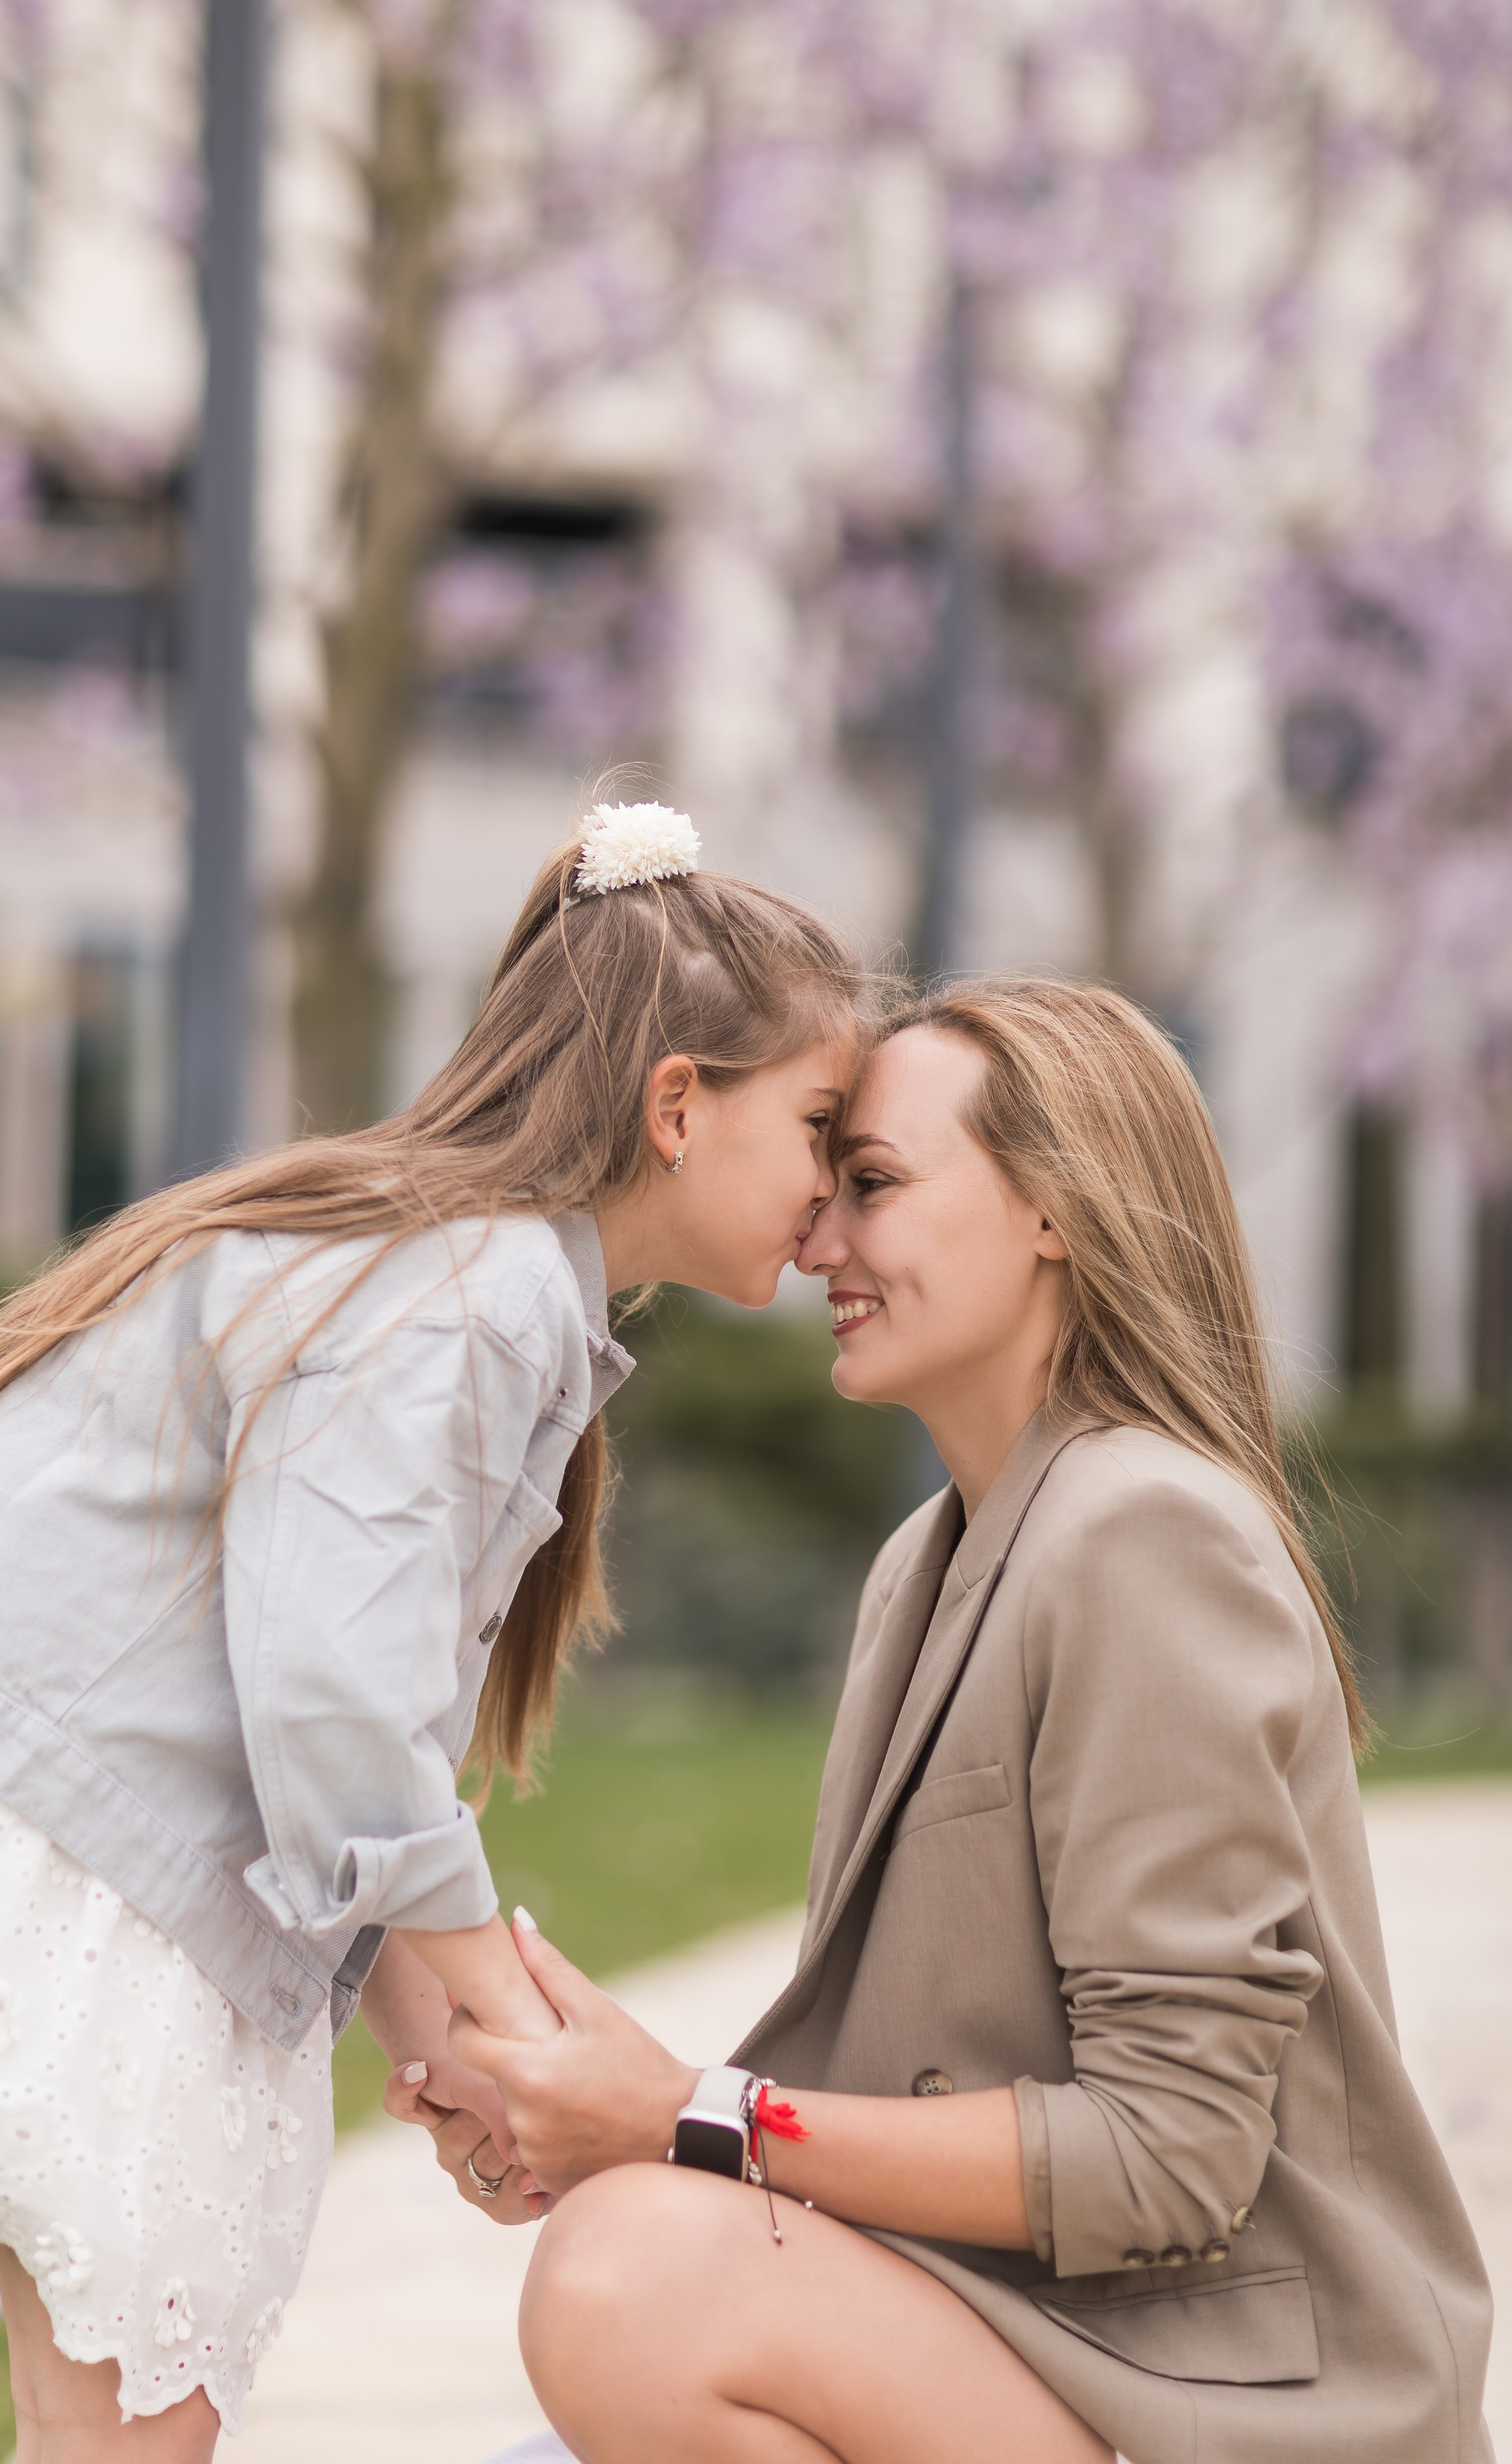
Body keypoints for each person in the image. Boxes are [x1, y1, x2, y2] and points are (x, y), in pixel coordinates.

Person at [0, 804, 868, 2463]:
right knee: (127, 2432)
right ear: (678, 1106)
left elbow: (319, 1707)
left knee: (99, 2425)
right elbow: (337, 1712)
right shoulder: (481, 1289)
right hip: (85, 1863)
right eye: (819, 1126)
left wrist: (436, 2045)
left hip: (52, 1821)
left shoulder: (460, 1268)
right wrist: (513, 2043)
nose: (828, 1197)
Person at [450, 977, 1493, 2464]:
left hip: (1240, 2400)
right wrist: (594, 2107)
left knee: (628, 2285)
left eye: (868, 1184)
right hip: (1051, 2346)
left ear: (1054, 1210)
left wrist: (690, 2115)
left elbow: (1170, 2154)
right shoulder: (926, 1565)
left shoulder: (1144, 1535)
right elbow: (904, 2102)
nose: (815, 1241)